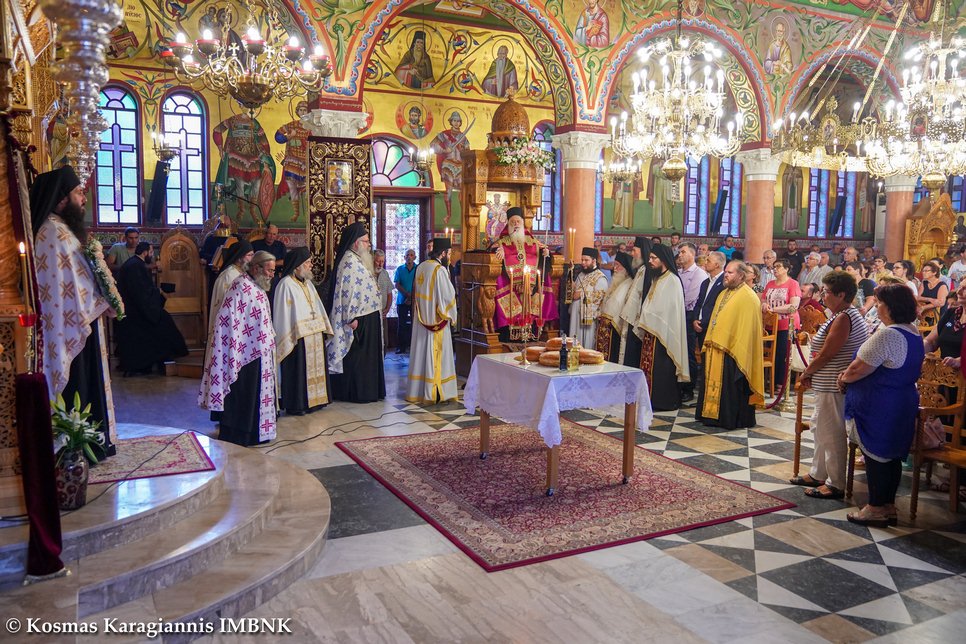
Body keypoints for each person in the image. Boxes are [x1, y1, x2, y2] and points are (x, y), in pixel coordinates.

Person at [31, 165, 118, 458]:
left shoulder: (62, 230)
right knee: (77, 383)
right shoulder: (54, 233)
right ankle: (74, 449)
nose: (84, 198)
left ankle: (88, 443)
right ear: (61, 199)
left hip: (80, 318)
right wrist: (102, 298)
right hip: (70, 323)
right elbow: (69, 283)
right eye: (79, 192)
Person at [840, 284, 925, 526]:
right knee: (891, 456)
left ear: (889, 307)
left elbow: (858, 368)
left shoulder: (888, 335)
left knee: (876, 454)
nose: (876, 308)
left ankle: (875, 507)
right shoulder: (913, 331)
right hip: (902, 401)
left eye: (879, 303)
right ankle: (888, 505)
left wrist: (843, 378)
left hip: (880, 404)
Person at [790, 272, 869, 499]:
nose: (823, 296)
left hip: (834, 384)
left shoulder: (844, 317)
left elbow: (827, 353)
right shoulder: (843, 314)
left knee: (832, 433)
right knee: (820, 428)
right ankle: (818, 473)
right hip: (827, 382)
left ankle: (835, 483)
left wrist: (807, 372)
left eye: (826, 292)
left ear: (841, 294)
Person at [199, 251, 277, 446]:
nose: (271, 275)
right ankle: (240, 433)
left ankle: (256, 432)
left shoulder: (257, 287)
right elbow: (227, 321)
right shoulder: (241, 287)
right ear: (256, 268)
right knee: (243, 392)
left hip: (257, 351)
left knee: (255, 393)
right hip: (242, 354)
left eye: (273, 271)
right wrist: (237, 347)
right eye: (269, 270)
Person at [697, 261, 764, 429]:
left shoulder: (749, 297)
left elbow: (748, 329)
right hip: (716, 347)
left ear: (741, 275)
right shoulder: (723, 293)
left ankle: (729, 419)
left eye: (730, 272)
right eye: (726, 272)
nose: (725, 275)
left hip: (734, 351)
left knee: (730, 386)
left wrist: (733, 344)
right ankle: (711, 417)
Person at [324, 222, 386, 403]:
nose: (369, 245)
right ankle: (358, 393)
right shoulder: (349, 262)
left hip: (368, 316)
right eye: (366, 241)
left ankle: (371, 391)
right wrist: (351, 318)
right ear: (356, 243)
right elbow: (347, 293)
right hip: (358, 320)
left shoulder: (358, 260)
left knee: (367, 359)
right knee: (358, 359)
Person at [272, 247, 334, 416]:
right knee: (299, 371)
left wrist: (324, 327)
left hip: (314, 334)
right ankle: (298, 404)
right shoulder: (285, 284)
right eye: (307, 262)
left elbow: (317, 307)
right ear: (297, 266)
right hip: (297, 338)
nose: (311, 265)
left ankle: (316, 401)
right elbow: (283, 316)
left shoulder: (308, 284)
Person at [115, 242, 188, 375]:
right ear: (145, 253)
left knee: (164, 320)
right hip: (136, 311)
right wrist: (158, 292)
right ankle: (162, 360)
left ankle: (162, 361)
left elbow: (143, 289)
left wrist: (156, 291)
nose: (152, 255)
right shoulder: (135, 266)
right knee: (163, 324)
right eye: (151, 252)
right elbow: (140, 292)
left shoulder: (135, 263)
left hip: (137, 307)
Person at [633, 244, 689, 410]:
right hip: (651, 332)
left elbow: (669, 311)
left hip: (665, 335)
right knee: (649, 367)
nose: (650, 261)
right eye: (649, 258)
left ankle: (662, 401)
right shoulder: (657, 278)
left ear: (663, 259)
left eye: (653, 258)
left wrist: (649, 317)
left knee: (662, 368)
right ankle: (648, 398)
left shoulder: (673, 280)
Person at [491, 208, 557, 339]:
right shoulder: (502, 242)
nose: (516, 224)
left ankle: (532, 335)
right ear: (508, 224)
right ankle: (509, 336)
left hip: (531, 286)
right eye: (513, 222)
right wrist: (498, 252)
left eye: (518, 221)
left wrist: (546, 254)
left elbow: (543, 256)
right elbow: (491, 252)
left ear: (522, 223)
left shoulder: (533, 241)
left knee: (532, 308)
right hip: (510, 285)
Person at [406, 238, 458, 403]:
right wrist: (452, 315)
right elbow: (447, 297)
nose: (449, 257)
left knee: (421, 355)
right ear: (442, 253)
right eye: (449, 253)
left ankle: (418, 390)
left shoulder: (421, 267)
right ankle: (435, 391)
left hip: (421, 322)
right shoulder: (439, 270)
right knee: (437, 355)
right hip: (436, 323)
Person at [677, 242, 708, 402]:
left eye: (683, 252)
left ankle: (688, 389)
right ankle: (678, 385)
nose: (680, 255)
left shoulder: (699, 274)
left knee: (688, 353)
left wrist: (675, 305)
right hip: (678, 315)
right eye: (679, 252)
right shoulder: (678, 272)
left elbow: (690, 298)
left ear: (692, 254)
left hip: (689, 316)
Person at [763, 258, 801, 386]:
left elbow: (793, 306)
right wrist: (764, 305)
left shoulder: (793, 284)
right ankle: (770, 381)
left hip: (786, 324)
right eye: (774, 267)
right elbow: (764, 299)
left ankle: (780, 382)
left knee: (781, 353)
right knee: (771, 353)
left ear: (786, 269)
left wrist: (773, 309)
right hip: (770, 324)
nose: (775, 269)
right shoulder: (770, 284)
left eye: (778, 266)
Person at [207, 239, 253, 340]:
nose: (252, 259)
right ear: (240, 257)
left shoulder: (241, 272)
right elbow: (225, 305)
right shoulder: (229, 275)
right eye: (249, 255)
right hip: (229, 323)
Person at [274, 101, 311, 222]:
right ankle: (296, 213)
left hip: (305, 162)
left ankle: (309, 213)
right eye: (301, 110)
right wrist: (289, 136)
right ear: (297, 111)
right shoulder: (291, 125)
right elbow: (277, 137)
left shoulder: (311, 128)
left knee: (307, 187)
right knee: (292, 186)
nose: (303, 112)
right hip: (292, 161)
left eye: (305, 110)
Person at [620, 237, 653, 368]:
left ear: (643, 252)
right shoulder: (641, 269)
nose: (632, 254)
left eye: (634, 251)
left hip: (637, 321)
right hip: (631, 318)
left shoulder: (647, 271)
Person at [430, 112, 470, 223]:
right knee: (449, 191)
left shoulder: (463, 137)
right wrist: (444, 150)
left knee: (463, 190)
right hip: (448, 164)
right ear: (451, 122)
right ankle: (448, 214)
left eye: (458, 121)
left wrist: (463, 150)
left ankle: (464, 214)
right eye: (454, 120)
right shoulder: (444, 135)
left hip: (460, 166)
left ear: (460, 123)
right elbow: (432, 145)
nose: (456, 123)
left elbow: (468, 153)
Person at [597, 251, 635, 362]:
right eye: (614, 265)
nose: (615, 268)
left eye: (618, 265)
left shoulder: (629, 284)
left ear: (626, 268)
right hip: (607, 327)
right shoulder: (615, 283)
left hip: (615, 327)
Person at [569, 247, 608, 349]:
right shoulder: (581, 275)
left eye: (586, 260)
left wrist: (581, 294)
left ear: (594, 261)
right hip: (575, 316)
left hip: (587, 320)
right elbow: (574, 293)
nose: (583, 263)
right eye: (582, 260)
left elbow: (599, 299)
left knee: (585, 344)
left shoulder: (600, 277)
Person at [393, 248, 417, 353]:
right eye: (407, 255)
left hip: (414, 301)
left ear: (415, 257)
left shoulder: (418, 269)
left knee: (414, 324)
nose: (409, 257)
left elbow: (420, 284)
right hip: (402, 301)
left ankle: (413, 346)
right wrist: (407, 294)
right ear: (404, 257)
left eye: (411, 255)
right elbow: (397, 284)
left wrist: (412, 297)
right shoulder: (399, 269)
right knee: (401, 324)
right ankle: (400, 347)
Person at [373, 249, 395, 351]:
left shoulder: (385, 274)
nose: (380, 264)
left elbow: (389, 293)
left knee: (385, 342)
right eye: (378, 261)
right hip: (371, 314)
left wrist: (387, 309)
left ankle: (382, 359)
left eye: (382, 261)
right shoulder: (367, 273)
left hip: (383, 314)